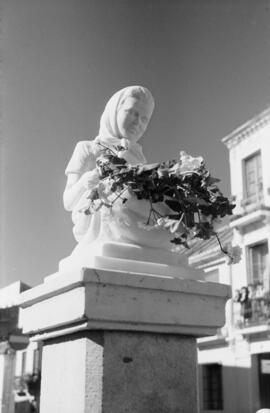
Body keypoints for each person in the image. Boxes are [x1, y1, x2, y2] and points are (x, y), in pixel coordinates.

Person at [63, 86, 174, 254]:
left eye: (144, 119)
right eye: (132, 113)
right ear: (114, 111)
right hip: (100, 213)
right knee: (114, 193)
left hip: (136, 213)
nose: (138, 122)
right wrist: (85, 182)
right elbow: (68, 202)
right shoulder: (88, 148)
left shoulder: (137, 157)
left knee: (171, 214)